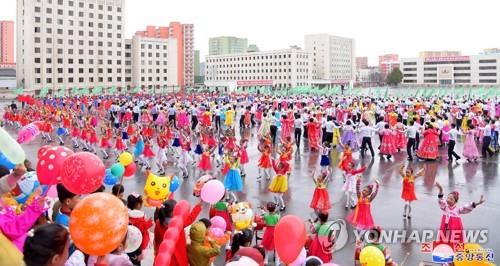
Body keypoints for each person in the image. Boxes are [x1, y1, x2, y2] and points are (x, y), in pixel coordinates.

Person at [127, 193, 153, 265]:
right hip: (138, 241)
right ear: (138, 204)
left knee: (130, 256)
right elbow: (142, 229)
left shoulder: (126, 213)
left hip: (127, 240)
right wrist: (149, 223)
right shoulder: (141, 215)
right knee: (137, 260)